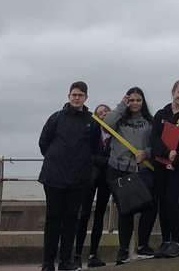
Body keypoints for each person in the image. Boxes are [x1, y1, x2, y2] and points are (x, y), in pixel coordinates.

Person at [39, 81, 99, 271]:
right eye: (74, 94)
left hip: (79, 180)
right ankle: (48, 263)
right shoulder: (56, 117)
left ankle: (65, 261)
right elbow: (44, 143)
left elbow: (96, 149)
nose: (76, 98)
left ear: (86, 98)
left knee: (72, 219)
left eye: (80, 95)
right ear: (68, 96)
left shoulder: (92, 121)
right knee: (53, 219)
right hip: (54, 178)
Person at [103, 88, 157, 263]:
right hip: (119, 169)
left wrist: (146, 153)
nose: (134, 103)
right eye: (131, 100)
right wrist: (120, 105)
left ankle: (142, 246)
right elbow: (105, 125)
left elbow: (157, 144)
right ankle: (124, 250)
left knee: (149, 208)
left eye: (138, 100)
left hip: (142, 170)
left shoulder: (150, 121)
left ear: (143, 102)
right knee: (125, 211)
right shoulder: (119, 119)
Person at [152, 80, 179, 257]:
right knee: (162, 201)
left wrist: (175, 161)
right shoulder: (162, 114)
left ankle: (177, 240)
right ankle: (165, 240)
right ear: (173, 92)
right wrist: (166, 153)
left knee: (172, 200)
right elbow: (154, 139)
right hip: (161, 164)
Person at [73, 103, 112, 268]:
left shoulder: (116, 134)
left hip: (106, 178)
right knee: (84, 215)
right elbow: (88, 153)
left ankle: (93, 254)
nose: (104, 115)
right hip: (89, 177)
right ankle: (76, 255)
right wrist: (105, 159)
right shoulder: (93, 131)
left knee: (100, 215)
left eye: (106, 112)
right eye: (100, 113)